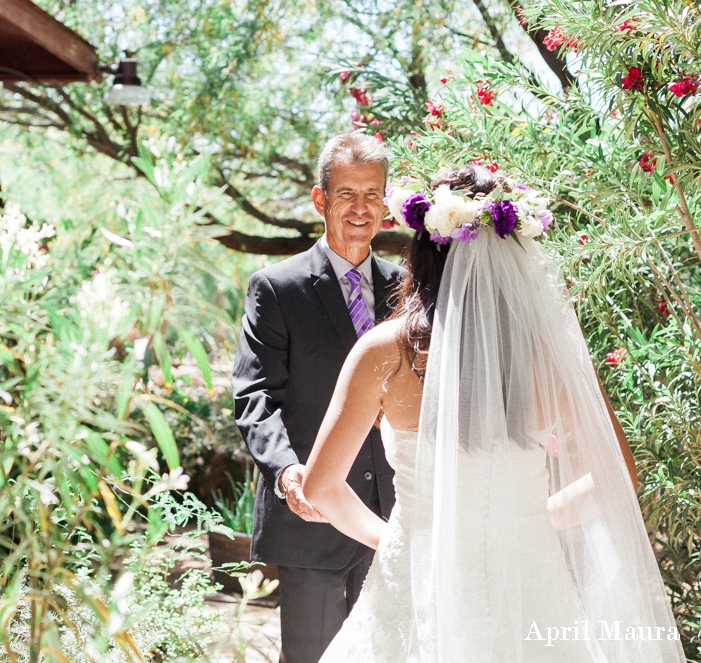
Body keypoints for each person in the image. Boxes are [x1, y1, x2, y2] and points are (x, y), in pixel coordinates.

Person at [304, 165, 686, 662]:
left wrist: (402, 538)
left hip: (422, 577)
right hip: (531, 576)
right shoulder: (550, 355)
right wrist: (535, 518)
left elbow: (320, 488)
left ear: (422, 250)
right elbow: (616, 476)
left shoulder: (384, 353)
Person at [232, 133, 405, 663]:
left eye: (372, 194)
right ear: (320, 200)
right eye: (347, 193)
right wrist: (287, 474)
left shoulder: (407, 290)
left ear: (386, 203)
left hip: (395, 520)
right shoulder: (276, 288)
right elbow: (255, 395)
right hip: (312, 515)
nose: (360, 208)